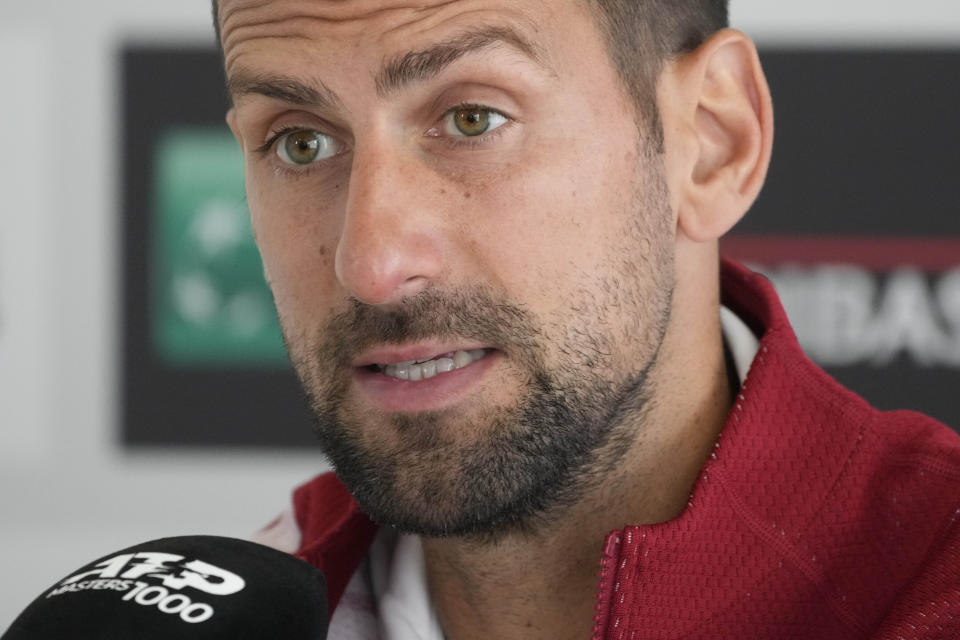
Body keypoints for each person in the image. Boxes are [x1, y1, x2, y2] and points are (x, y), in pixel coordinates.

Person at [213, 0, 960, 638]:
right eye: (298, 142)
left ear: (709, 143)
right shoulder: (229, 606)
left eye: (473, 120)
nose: (372, 266)